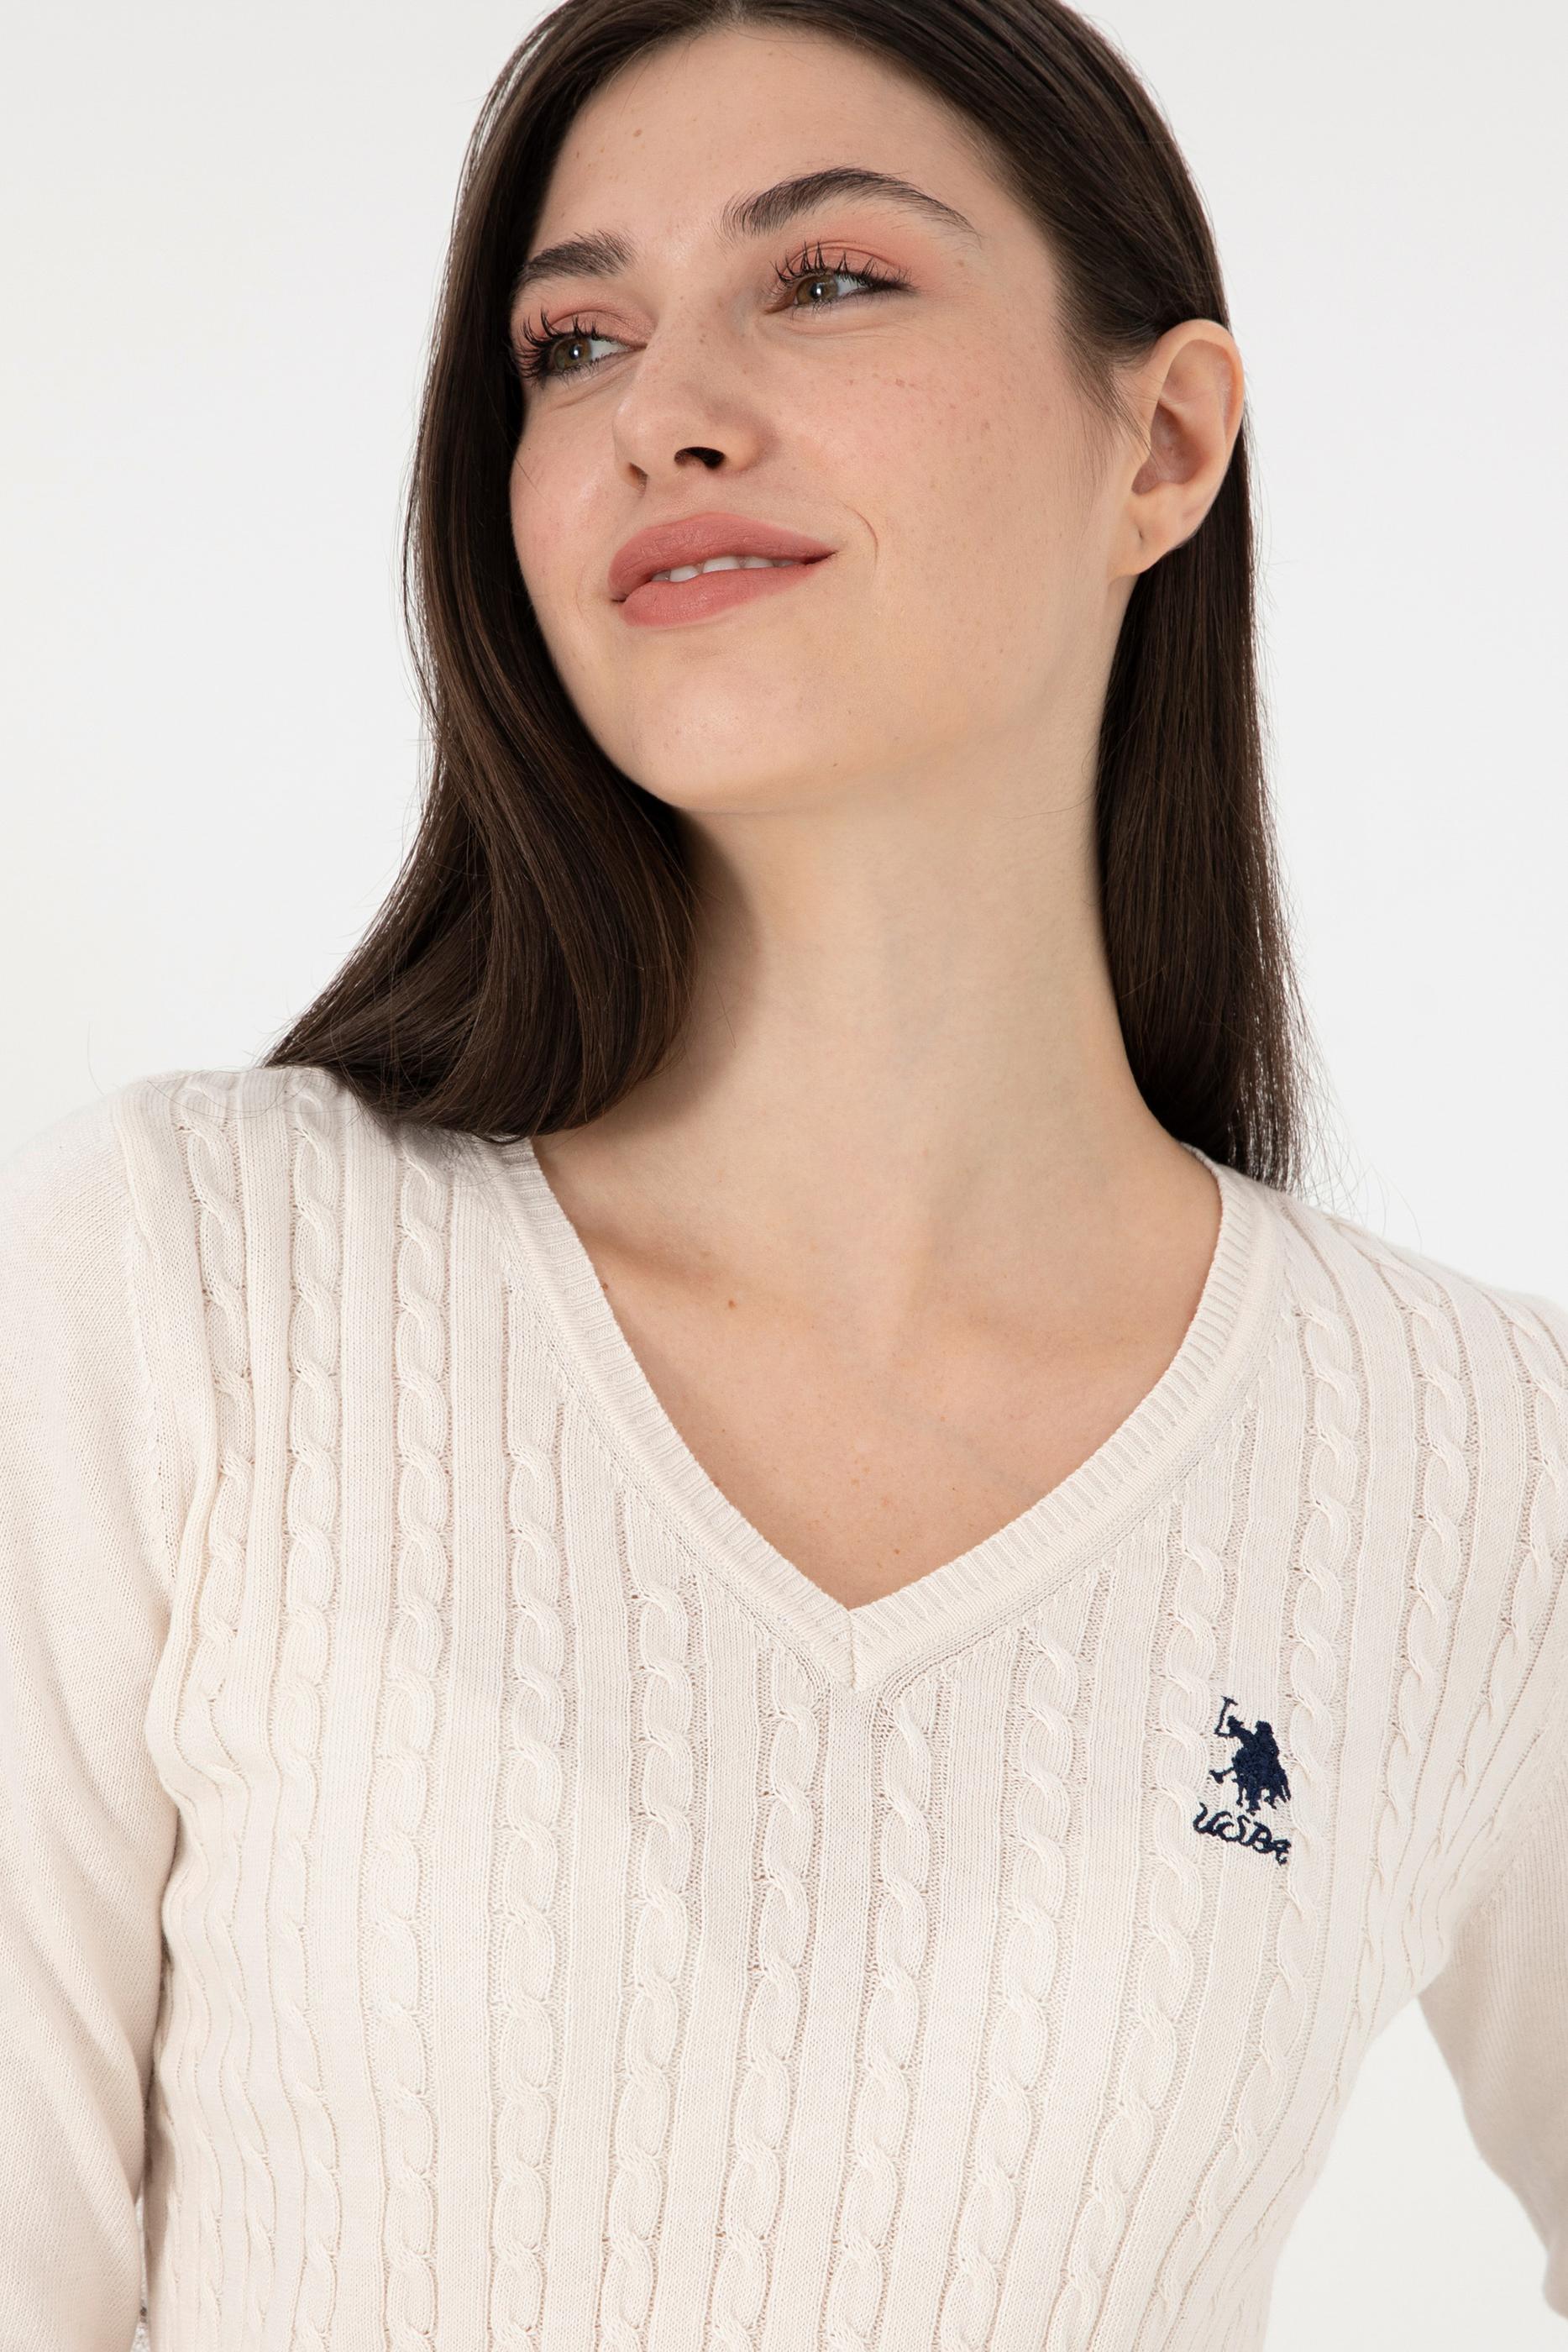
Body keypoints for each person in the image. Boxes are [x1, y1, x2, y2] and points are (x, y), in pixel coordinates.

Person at [3, 2, 1565, 2344]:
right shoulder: (188, 1287)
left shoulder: (1478, 1472)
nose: (665, 409)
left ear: (1160, 442)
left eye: (826, 279)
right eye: (573, 341)